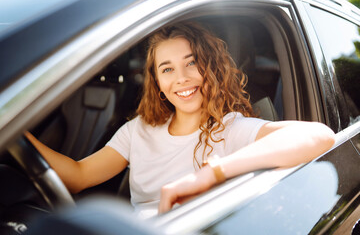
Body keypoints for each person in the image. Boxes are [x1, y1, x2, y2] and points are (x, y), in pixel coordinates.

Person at [25, 21, 335, 218]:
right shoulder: (139, 130)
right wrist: (16, 137)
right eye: (167, 69)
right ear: (157, 81)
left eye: (192, 64)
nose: (182, 79)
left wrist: (210, 174)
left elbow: (320, 136)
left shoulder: (230, 129)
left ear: (210, 69)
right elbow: (79, 175)